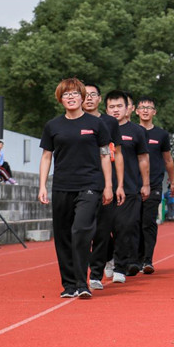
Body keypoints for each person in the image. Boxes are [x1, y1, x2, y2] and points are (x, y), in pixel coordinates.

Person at [38, 78, 113, 298]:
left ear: (82, 97)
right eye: (66, 94)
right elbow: (46, 156)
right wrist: (42, 185)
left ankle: (82, 283)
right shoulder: (53, 126)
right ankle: (69, 285)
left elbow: (105, 155)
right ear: (60, 99)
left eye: (74, 94)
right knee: (63, 236)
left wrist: (108, 186)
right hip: (62, 186)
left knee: (81, 230)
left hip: (89, 185)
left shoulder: (96, 124)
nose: (70, 97)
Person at [83, 83, 125, 291]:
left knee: (102, 229)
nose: (89, 98)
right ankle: (82, 269)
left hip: (105, 182)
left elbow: (117, 154)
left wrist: (119, 184)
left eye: (93, 95)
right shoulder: (71, 122)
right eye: (85, 94)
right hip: (81, 182)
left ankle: (96, 273)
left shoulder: (109, 122)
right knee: (83, 230)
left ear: (100, 99)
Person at [105, 90, 150, 283]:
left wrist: (146, 184)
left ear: (128, 108)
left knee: (125, 227)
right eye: (111, 107)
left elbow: (143, 159)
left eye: (119, 106)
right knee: (102, 229)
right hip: (104, 187)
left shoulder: (137, 131)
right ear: (106, 109)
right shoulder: (101, 128)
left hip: (130, 187)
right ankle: (107, 256)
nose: (115, 110)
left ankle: (120, 266)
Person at [136, 96, 174, 274]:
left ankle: (147, 260)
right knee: (132, 223)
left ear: (154, 112)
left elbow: (168, 160)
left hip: (154, 184)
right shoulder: (130, 131)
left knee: (148, 222)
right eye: (142, 107)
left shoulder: (161, 135)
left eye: (149, 108)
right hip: (132, 185)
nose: (145, 110)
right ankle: (134, 258)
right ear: (136, 111)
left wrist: (172, 182)